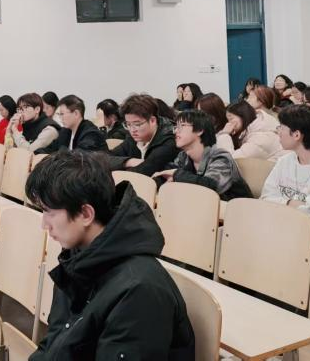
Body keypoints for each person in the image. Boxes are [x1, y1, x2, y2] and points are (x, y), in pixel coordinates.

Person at [26, 150, 195, 360]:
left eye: (49, 212)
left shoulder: (139, 291)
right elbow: (53, 345)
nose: (44, 224)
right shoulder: (76, 259)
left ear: (85, 214)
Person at [153, 110, 253, 201]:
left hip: (237, 211)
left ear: (199, 130)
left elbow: (211, 186)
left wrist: (176, 174)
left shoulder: (220, 157)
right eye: (176, 127)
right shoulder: (183, 156)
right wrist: (158, 180)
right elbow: (168, 172)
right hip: (204, 209)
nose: (176, 131)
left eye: (182, 126)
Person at [109, 94, 179, 176]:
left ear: (152, 120)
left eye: (137, 124)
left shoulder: (169, 140)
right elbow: (104, 158)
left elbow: (144, 170)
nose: (132, 130)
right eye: (128, 124)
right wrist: (128, 161)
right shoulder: (134, 137)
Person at [218, 101, 285, 161]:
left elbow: (232, 161)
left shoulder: (261, 137)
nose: (228, 124)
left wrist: (225, 134)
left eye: (231, 119)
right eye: (228, 120)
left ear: (243, 116)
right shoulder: (252, 130)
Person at [38, 95, 106, 153]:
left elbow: (78, 157)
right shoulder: (65, 131)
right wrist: (35, 154)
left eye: (62, 114)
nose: (60, 118)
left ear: (76, 113)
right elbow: (49, 149)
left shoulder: (91, 134)